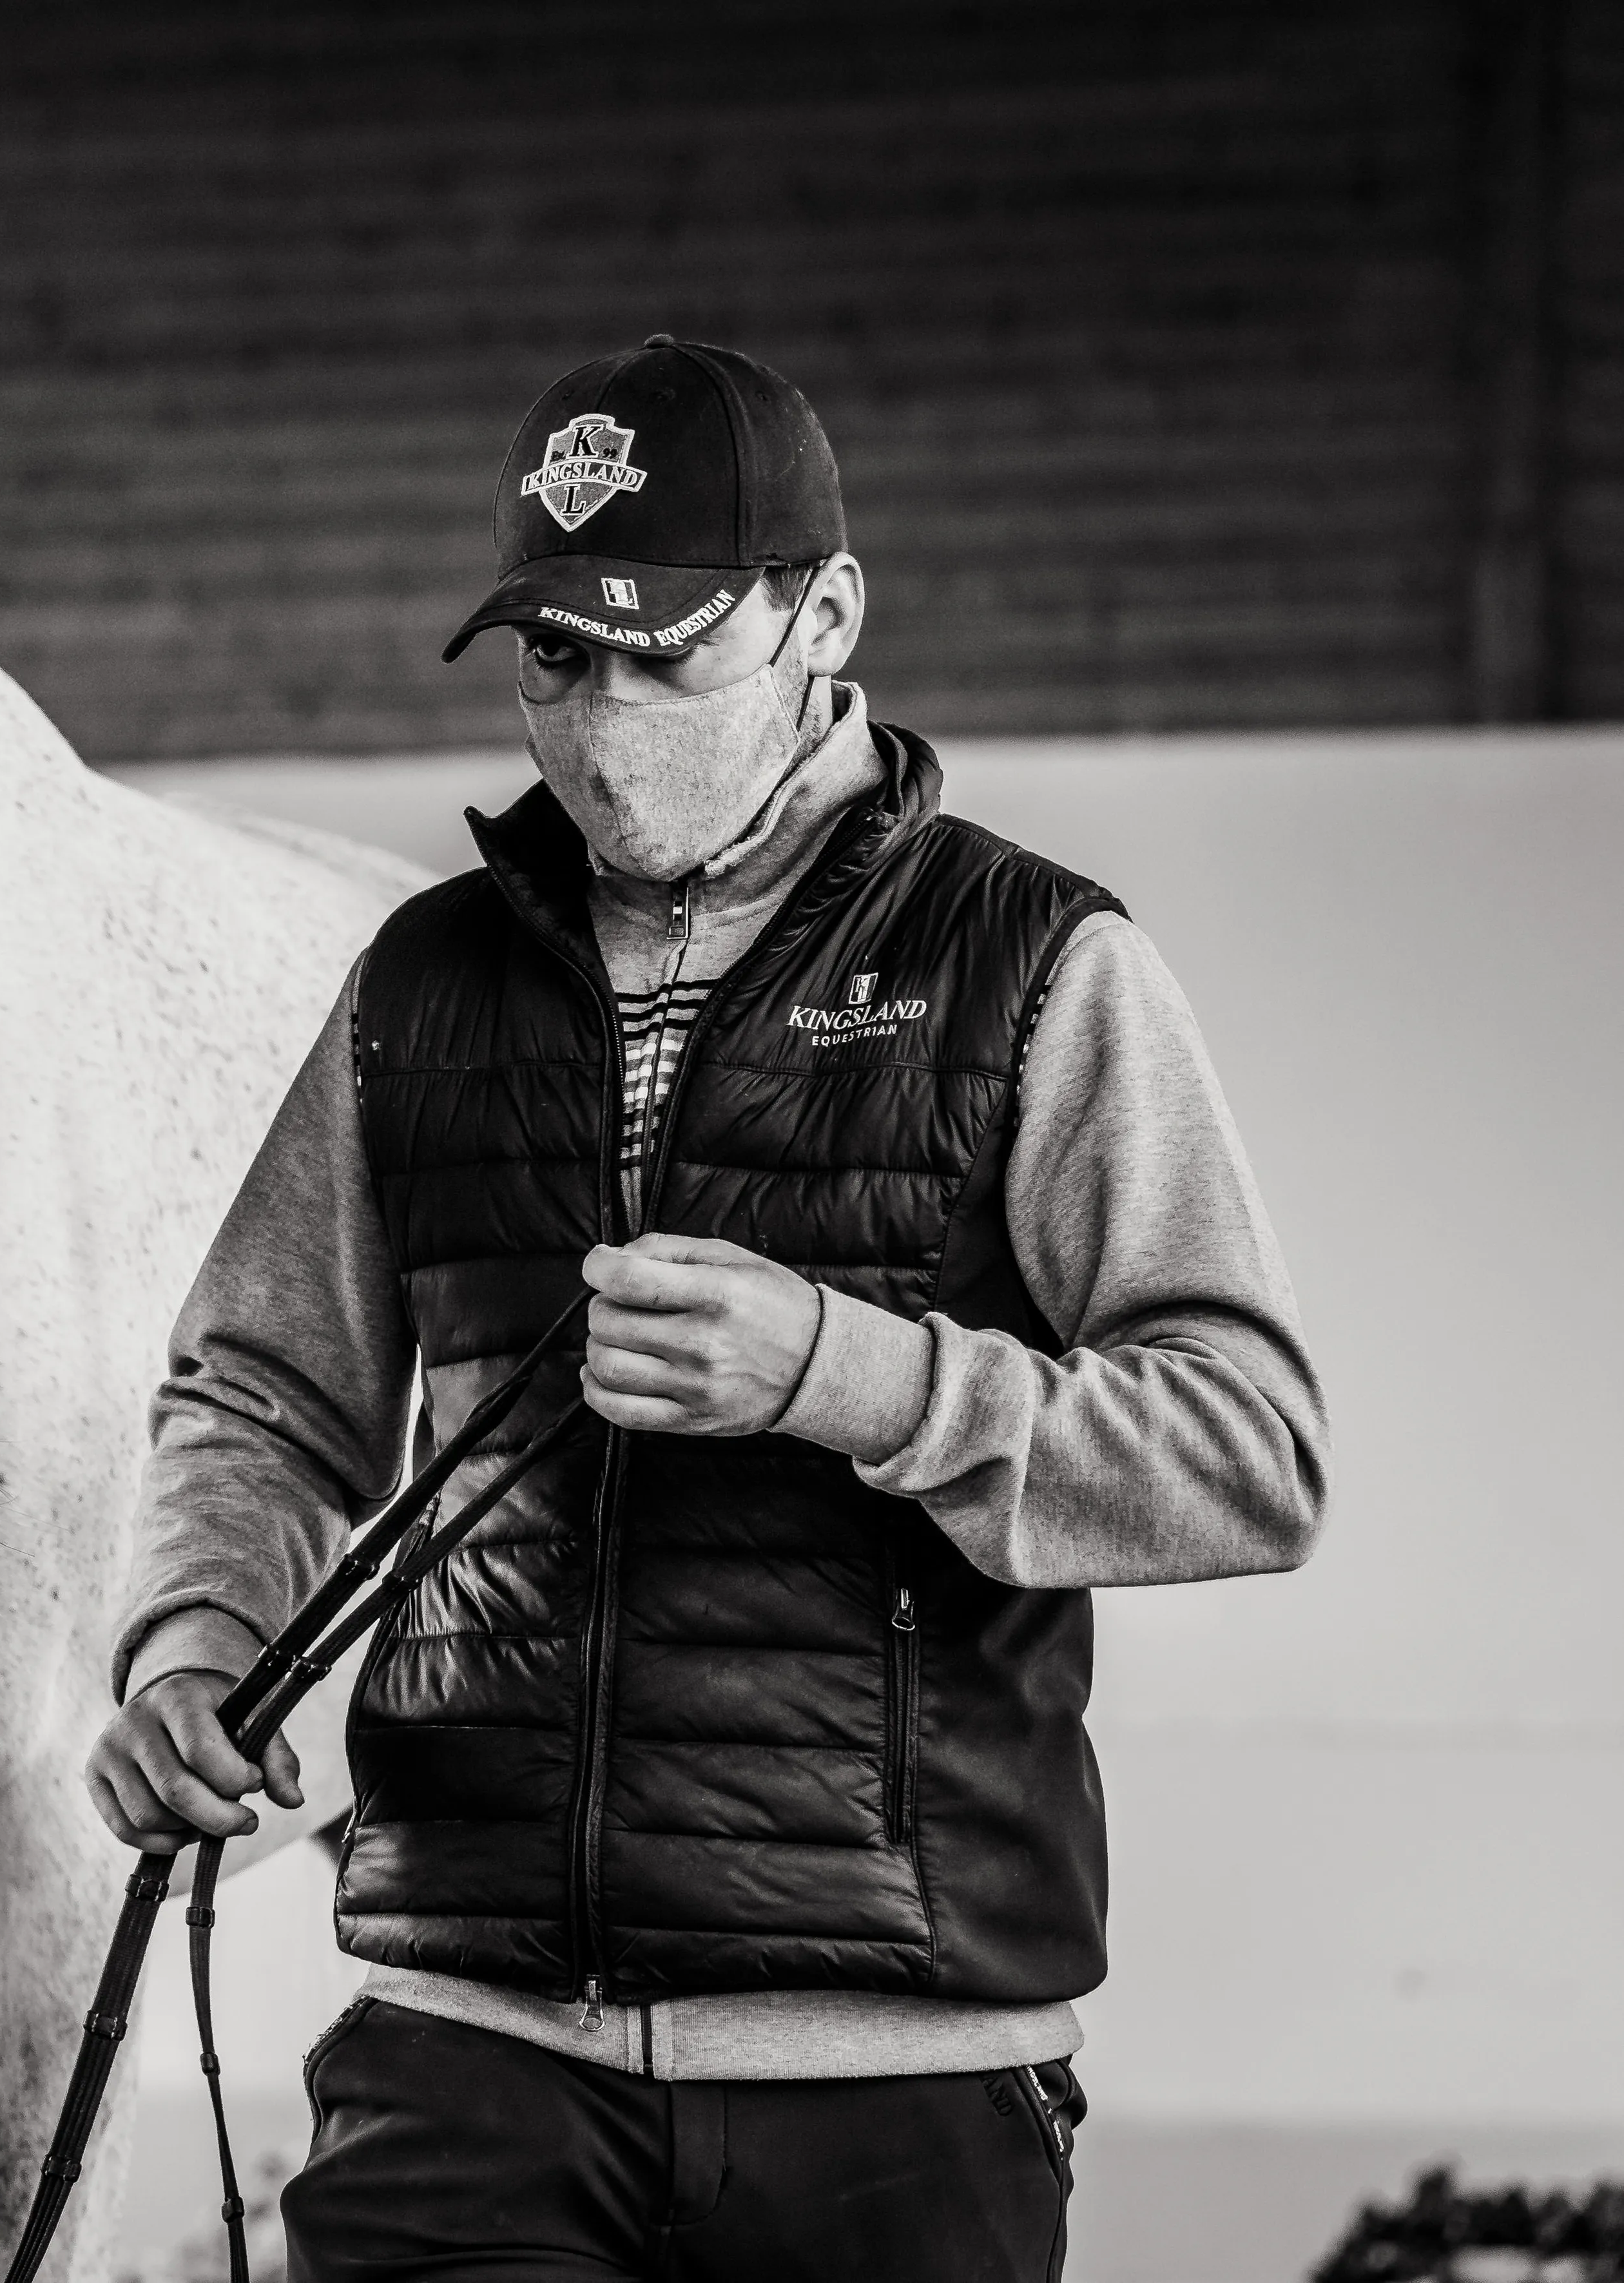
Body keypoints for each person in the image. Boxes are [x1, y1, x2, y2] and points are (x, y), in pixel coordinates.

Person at [83, 336, 1327, 2280]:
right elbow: (259, 1394)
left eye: (663, 654)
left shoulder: (1039, 966)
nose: (597, 724)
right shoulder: (420, 983)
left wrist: (847, 1375)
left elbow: (1248, 1452)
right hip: (464, 2049)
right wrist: (188, 1642)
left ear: (825, 615)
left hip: (895, 2082)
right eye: (553, 660)